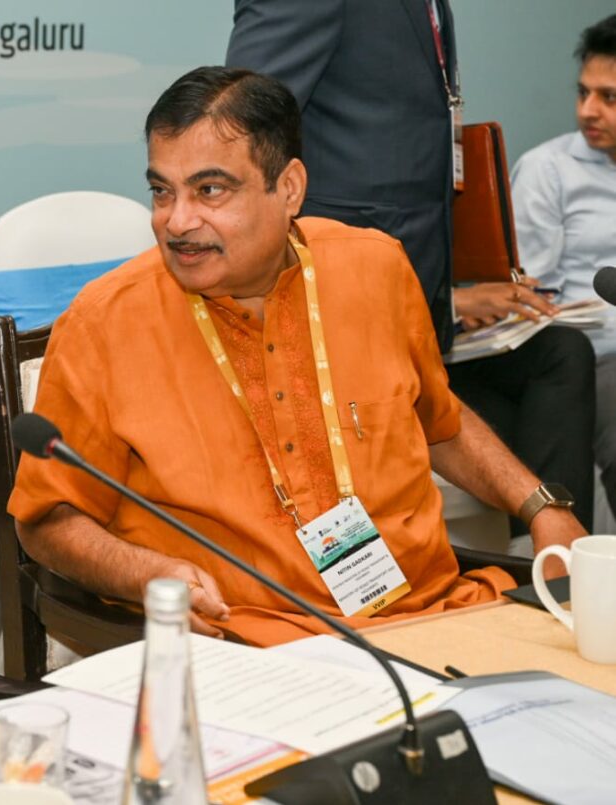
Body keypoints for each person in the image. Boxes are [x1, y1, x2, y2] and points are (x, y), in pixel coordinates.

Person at [8, 67, 585, 647]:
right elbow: (45, 521)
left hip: (433, 612)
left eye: (210, 190)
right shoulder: (105, 322)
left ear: (288, 188)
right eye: (162, 191)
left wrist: (542, 507)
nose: (177, 222)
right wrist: (145, 575)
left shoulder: (376, 268)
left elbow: (440, 426)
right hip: (251, 643)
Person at [225, 0, 597, 536]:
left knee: (559, 354)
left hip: (422, 308)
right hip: (333, 318)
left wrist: (450, 301)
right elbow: (241, 131)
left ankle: (553, 556)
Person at [511, 13, 616, 513]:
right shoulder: (547, 170)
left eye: (609, 97)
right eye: (583, 92)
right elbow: (531, 297)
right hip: (596, 358)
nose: (588, 110)